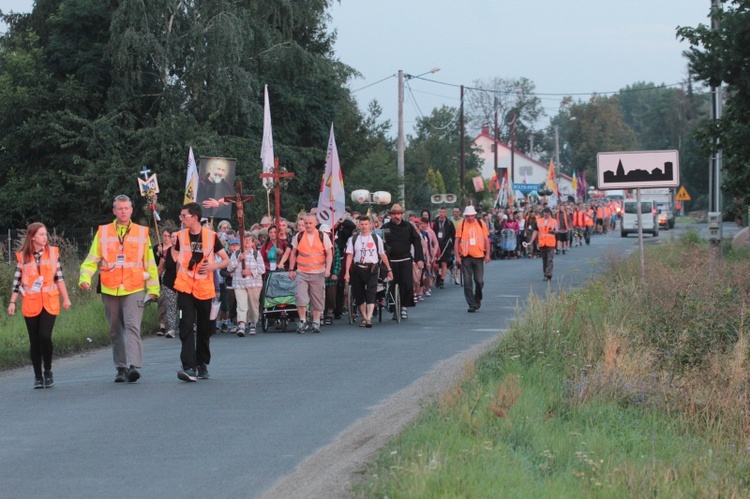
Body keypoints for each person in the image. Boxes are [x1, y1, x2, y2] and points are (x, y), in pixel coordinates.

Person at [79, 195, 159, 383]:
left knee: (132, 326)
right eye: (119, 208)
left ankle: (133, 366)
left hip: (135, 287)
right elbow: (91, 260)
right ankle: (121, 368)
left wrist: (153, 288)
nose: (123, 211)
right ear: (114, 211)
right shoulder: (103, 232)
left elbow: (150, 263)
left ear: (132, 210)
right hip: (110, 287)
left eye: (126, 208)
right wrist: (85, 278)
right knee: (115, 329)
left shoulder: (141, 232)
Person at [8, 223, 71, 389]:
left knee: (45, 336)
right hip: (31, 303)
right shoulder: (23, 256)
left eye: (46, 234)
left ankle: (48, 371)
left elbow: (59, 278)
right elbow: (17, 281)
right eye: (42, 234)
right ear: (33, 237)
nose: (45, 237)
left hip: (50, 301)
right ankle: (37, 376)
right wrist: (12, 301)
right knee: (34, 340)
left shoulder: (52, 253)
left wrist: (66, 298)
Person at [173, 202, 230, 382]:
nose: (181, 219)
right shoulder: (180, 236)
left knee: (205, 328)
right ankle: (188, 366)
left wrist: (213, 266)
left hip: (205, 289)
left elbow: (226, 260)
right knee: (185, 325)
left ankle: (201, 362)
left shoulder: (211, 237)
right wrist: (179, 274)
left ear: (195, 217)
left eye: (184, 216)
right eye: (181, 216)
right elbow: (176, 257)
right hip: (184, 288)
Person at [289, 214, 333, 334]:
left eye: (310, 223)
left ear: (315, 224)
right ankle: (302, 321)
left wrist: (328, 269)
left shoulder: (322, 236)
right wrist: (291, 269)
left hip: (318, 272)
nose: (308, 225)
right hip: (302, 272)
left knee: (317, 298)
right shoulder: (299, 236)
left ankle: (316, 321)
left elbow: (329, 253)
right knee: (300, 296)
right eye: (306, 223)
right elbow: (293, 253)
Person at [344, 217, 391, 328]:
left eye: (366, 224)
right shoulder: (353, 239)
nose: (364, 226)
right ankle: (364, 317)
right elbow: (350, 255)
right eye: (362, 224)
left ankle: (369, 318)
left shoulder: (376, 238)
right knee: (359, 294)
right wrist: (347, 272)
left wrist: (389, 269)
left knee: (371, 292)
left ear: (370, 225)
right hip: (358, 268)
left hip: (372, 268)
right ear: (359, 225)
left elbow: (382, 254)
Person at [382, 203, 424, 320]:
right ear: (391, 215)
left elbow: (417, 242)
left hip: (405, 259)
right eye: (394, 214)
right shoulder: (385, 227)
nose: (396, 216)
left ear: (402, 215)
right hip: (391, 261)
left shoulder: (408, 226)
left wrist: (419, 259)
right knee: (391, 285)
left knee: (406, 284)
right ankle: (394, 309)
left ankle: (404, 307)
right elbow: (380, 244)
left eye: (398, 214)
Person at [454, 205, 490, 313]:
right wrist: (457, 256)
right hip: (466, 257)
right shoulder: (461, 225)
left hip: (479, 256)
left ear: (475, 215)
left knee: (479, 281)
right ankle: (471, 304)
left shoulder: (481, 224)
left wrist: (488, 254)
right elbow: (457, 241)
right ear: (465, 216)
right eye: (468, 216)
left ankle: (477, 298)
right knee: (467, 281)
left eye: (472, 216)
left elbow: (486, 240)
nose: (470, 218)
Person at [228, 233, 265, 336]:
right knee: (241, 305)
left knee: (253, 305)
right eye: (245, 239)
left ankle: (253, 323)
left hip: (253, 283)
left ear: (253, 242)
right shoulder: (236, 254)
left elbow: (262, 269)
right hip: (239, 283)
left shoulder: (256, 254)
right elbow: (229, 268)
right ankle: (242, 325)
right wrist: (238, 260)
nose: (247, 242)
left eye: (249, 240)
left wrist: (250, 272)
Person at [157, 228, 179, 338]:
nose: (174, 239)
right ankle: (171, 329)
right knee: (171, 306)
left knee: (182, 307)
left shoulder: (185, 251)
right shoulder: (166, 252)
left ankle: (183, 324)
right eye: (172, 237)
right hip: (168, 283)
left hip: (183, 284)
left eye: (176, 236)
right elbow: (160, 268)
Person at [527, 207, 559, 281]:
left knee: (550, 260)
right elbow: (535, 231)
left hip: (550, 243)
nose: (546, 214)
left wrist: (553, 232)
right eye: (545, 213)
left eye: (547, 213)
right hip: (542, 243)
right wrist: (531, 241)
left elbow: (557, 231)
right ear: (543, 213)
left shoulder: (554, 221)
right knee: (544, 260)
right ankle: (545, 274)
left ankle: (549, 274)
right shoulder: (538, 221)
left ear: (549, 213)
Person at [320, 224, 341, 325]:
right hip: (319, 274)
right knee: (319, 296)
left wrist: (335, 273)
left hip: (330, 275)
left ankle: (329, 313)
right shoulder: (316, 245)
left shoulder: (334, 246)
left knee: (331, 296)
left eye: (326, 234)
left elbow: (337, 261)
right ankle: (320, 313)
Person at [431, 207, 455, 288]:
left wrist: (454, 246)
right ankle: (438, 275)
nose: (441, 214)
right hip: (437, 244)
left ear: (446, 213)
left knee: (444, 262)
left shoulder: (449, 223)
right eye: (440, 212)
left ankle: (442, 280)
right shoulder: (434, 222)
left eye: (443, 212)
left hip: (446, 245)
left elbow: (453, 235)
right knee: (436, 264)